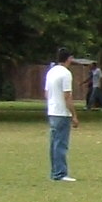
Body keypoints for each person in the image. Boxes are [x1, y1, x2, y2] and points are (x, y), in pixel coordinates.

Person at [45, 51, 77, 181]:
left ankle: (55, 171)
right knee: (61, 144)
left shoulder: (51, 72)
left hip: (52, 111)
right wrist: (74, 114)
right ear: (68, 59)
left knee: (54, 143)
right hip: (62, 113)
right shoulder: (66, 73)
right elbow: (67, 96)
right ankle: (60, 173)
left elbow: (46, 93)